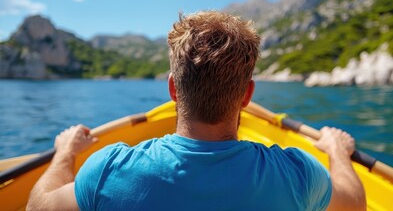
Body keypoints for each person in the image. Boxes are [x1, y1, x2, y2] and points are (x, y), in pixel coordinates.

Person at [27, 11, 366, 210]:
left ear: (173, 89)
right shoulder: (297, 174)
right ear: (247, 94)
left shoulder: (110, 170)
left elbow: (37, 206)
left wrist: (65, 153)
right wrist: (337, 151)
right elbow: (354, 203)